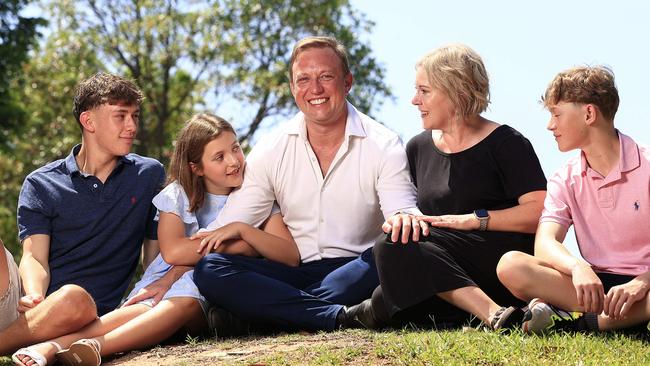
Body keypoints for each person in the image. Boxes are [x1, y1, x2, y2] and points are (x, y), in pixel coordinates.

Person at [13, 113, 299, 366]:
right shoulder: (178, 196)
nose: (235, 161)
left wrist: (243, 230)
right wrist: (243, 248)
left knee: (182, 301)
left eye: (236, 148)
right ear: (196, 167)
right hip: (168, 277)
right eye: (219, 157)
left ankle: (93, 346)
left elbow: (288, 255)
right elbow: (174, 252)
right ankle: (52, 345)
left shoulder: (255, 197)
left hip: (209, 286)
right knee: (144, 305)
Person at [192, 36, 420, 333]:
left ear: (347, 82)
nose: (315, 89)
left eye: (326, 76)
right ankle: (340, 316)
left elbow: (401, 211)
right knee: (211, 269)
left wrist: (404, 216)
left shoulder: (383, 143)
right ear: (292, 88)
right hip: (293, 271)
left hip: (358, 267)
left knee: (395, 251)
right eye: (304, 79)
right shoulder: (272, 147)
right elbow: (225, 227)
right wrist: (169, 277)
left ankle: (257, 316)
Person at [349, 44, 547, 331]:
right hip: (443, 267)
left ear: (457, 92)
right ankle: (480, 315)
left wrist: (474, 220)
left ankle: (494, 314)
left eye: (424, 90)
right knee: (390, 287)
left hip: (499, 265)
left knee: (391, 252)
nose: (414, 100)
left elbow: (539, 213)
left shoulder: (508, 143)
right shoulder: (418, 147)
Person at [2, 72, 169, 360]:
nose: (132, 126)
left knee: (73, 298)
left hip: (86, 312)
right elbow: (34, 257)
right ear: (88, 121)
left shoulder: (149, 175)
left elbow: (153, 257)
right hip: (26, 309)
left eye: (135, 116)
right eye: (120, 116)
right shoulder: (41, 183)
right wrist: (35, 296)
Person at [497, 66, 650, 334]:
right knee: (511, 265)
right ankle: (623, 319)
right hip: (596, 287)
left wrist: (642, 282)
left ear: (589, 113)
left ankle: (587, 324)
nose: (550, 125)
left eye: (556, 114)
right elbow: (545, 243)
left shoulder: (647, 165)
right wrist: (578, 266)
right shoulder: (565, 177)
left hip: (646, 284)